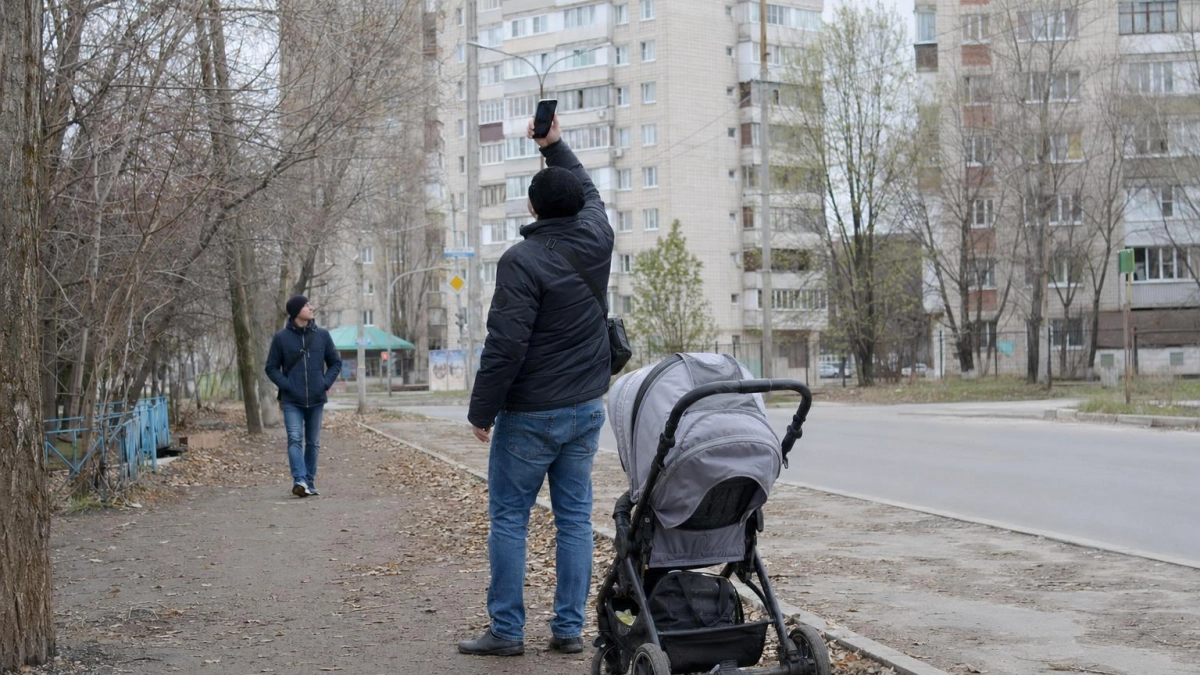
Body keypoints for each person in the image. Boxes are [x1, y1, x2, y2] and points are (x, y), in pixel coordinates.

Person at [457, 116, 614, 657]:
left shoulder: (520, 261)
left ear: (532, 209)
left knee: (509, 518)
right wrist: (555, 144)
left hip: (529, 415)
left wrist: (482, 410)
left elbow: (506, 345)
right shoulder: (598, 235)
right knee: (574, 520)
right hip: (587, 409)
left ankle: (506, 632)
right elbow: (587, 189)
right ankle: (568, 631)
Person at [264, 295, 342, 498]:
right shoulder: (281, 338)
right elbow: (271, 367)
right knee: (294, 439)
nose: (311, 307)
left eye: (310, 304)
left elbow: (335, 362)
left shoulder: (322, 335)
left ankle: (309, 481)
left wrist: (324, 383)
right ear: (296, 311)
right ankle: (298, 480)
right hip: (292, 400)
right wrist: (287, 385)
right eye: (306, 305)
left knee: (313, 442)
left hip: (316, 399)